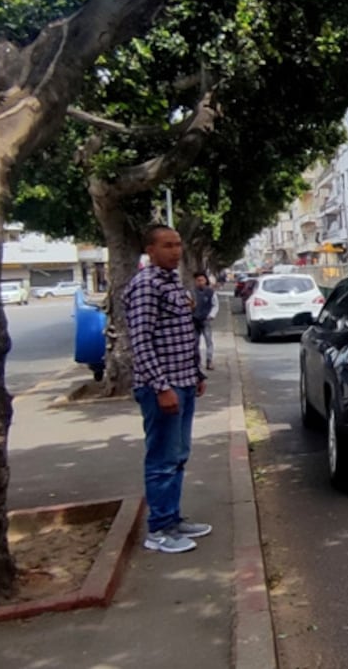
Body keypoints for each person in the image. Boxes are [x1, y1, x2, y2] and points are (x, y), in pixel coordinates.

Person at [124, 224, 211, 554]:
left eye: (178, 244)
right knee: (161, 458)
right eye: (167, 245)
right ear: (150, 249)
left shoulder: (173, 282)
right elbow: (141, 343)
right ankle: (158, 530)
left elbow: (183, 333)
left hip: (184, 380)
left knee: (178, 455)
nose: (175, 251)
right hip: (162, 386)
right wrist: (162, 387)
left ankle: (172, 519)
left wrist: (196, 373)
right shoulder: (146, 286)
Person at [192, 272, 219, 370]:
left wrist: (211, 315)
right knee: (195, 342)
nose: (200, 283)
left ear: (206, 281)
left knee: (209, 341)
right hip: (194, 320)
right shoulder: (191, 292)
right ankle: (196, 362)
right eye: (198, 280)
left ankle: (209, 360)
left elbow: (215, 305)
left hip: (205, 320)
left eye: (202, 280)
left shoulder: (210, 292)